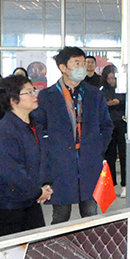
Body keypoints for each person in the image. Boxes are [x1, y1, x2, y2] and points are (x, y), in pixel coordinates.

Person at [32, 46, 113, 224]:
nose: (82, 67)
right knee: (61, 214)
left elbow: (107, 125)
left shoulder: (94, 94)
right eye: (77, 63)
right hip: (60, 161)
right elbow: (39, 127)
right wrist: (49, 149)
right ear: (63, 68)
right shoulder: (47, 96)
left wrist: (98, 147)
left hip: (88, 160)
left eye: (83, 63)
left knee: (90, 213)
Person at [0, 75, 52, 238]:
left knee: (36, 245)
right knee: (13, 250)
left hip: (27, 198)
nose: (35, 95)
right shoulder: (5, 132)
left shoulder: (34, 125)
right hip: (3, 204)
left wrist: (45, 184)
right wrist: (37, 192)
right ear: (13, 100)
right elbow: (11, 172)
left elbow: (40, 160)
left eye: (34, 90)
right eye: (28, 92)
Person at [101, 65, 127, 199]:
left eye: (113, 78)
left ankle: (125, 184)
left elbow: (127, 104)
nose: (111, 81)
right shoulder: (102, 91)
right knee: (109, 156)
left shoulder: (123, 90)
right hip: (108, 126)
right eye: (109, 78)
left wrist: (119, 102)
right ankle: (110, 185)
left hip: (121, 124)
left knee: (123, 155)